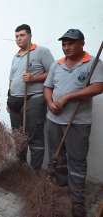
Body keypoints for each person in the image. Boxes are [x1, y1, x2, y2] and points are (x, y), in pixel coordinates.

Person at [44, 29, 103, 217]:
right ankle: (61, 191)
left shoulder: (92, 63)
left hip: (78, 123)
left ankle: (77, 201)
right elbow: (47, 86)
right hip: (53, 121)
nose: (66, 47)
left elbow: (99, 86)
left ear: (82, 44)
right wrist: (50, 102)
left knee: (76, 162)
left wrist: (68, 97)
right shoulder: (56, 64)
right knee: (57, 157)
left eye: (70, 43)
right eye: (64, 44)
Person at [7, 24, 54, 170]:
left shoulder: (41, 52)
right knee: (18, 136)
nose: (19, 38)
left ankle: (35, 172)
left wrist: (33, 78)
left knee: (34, 136)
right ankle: (21, 168)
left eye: (22, 35)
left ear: (30, 36)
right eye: (16, 36)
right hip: (15, 100)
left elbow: (54, 72)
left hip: (33, 98)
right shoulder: (16, 56)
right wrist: (9, 97)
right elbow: (12, 79)